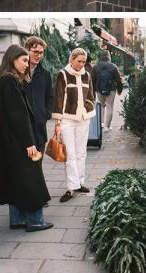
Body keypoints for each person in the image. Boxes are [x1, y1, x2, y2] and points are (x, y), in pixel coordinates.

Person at [0, 44, 53, 233]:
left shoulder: (2, 79)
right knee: (31, 179)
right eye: (24, 60)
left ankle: (17, 219)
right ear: (13, 59)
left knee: (15, 179)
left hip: (8, 140)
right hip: (19, 141)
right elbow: (18, 115)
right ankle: (35, 221)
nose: (27, 64)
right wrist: (29, 143)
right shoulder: (10, 81)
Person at [52, 48, 95, 203]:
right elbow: (58, 98)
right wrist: (58, 122)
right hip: (67, 120)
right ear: (71, 59)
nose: (81, 64)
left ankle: (80, 183)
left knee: (81, 152)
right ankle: (71, 187)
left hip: (83, 118)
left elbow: (91, 95)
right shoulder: (63, 74)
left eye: (84, 61)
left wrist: (87, 106)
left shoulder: (87, 75)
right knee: (70, 154)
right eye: (79, 61)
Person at [22, 36, 54, 159]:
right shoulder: (18, 73)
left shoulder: (45, 74)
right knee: (24, 163)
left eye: (41, 52)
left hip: (39, 125)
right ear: (27, 50)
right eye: (35, 52)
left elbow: (50, 96)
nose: (38, 55)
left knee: (38, 161)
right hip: (23, 125)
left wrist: (46, 114)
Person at [90, 51, 124, 131]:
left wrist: (93, 91)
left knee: (101, 106)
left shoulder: (96, 67)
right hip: (111, 89)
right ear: (109, 57)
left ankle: (101, 124)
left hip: (99, 89)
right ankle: (107, 126)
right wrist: (119, 90)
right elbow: (118, 80)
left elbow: (92, 80)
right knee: (109, 107)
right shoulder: (113, 66)